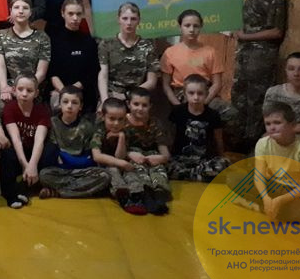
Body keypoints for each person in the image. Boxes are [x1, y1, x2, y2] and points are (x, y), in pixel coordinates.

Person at [231, 0, 289, 151]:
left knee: (256, 98)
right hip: (244, 52)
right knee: (239, 94)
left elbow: (276, 31)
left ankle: (253, 141)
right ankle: (237, 137)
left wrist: (246, 36)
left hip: (261, 55)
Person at [247, 101, 300, 220]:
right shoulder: (262, 143)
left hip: (294, 191)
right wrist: (265, 198)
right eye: (268, 124)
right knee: (233, 179)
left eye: (277, 122)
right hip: (273, 185)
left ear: (292, 125)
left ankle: (265, 207)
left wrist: (280, 201)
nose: (272, 127)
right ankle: (270, 206)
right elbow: (259, 176)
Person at [38, 86, 110, 199]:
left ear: (80, 106)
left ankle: (58, 192)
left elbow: (88, 159)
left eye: (74, 102)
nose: (69, 106)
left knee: (104, 176)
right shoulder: (53, 123)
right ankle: (79, 190)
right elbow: (53, 152)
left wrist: (66, 158)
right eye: (65, 102)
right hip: (60, 171)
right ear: (60, 104)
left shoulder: (87, 126)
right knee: (43, 174)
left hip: (81, 171)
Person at [0, 73, 58, 209]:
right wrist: (25, 165)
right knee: (6, 153)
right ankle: (10, 192)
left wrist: (32, 165)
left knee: (51, 149)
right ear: (14, 90)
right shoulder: (9, 108)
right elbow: (16, 139)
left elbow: (39, 140)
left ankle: (26, 186)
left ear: (36, 93)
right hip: (18, 151)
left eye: (29, 90)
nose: (24, 94)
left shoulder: (42, 110)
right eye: (20, 89)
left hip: (34, 151)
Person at [0, 0, 51, 116]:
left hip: (32, 86)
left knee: (32, 109)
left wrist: (23, 89)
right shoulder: (1, 35)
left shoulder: (42, 37)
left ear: (30, 12)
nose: (20, 11)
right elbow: (0, 66)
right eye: (16, 7)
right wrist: (4, 88)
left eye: (25, 8)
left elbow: (41, 72)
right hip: (8, 84)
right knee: (0, 106)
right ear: (11, 11)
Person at [167, 75, 229, 182]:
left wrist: (221, 156)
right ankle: (198, 175)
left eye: (200, 93)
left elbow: (218, 139)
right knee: (166, 166)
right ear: (185, 94)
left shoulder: (213, 115)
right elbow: (170, 136)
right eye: (191, 93)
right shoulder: (177, 112)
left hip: (203, 160)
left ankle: (188, 175)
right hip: (181, 159)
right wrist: (168, 156)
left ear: (206, 94)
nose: (196, 97)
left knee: (223, 164)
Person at [47, 0, 100, 115]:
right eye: (70, 14)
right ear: (63, 13)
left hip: (84, 95)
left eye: (78, 14)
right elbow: (52, 72)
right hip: (59, 93)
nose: (75, 18)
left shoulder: (89, 42)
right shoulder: (53, 41)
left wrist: (73, 91)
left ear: (83, 15)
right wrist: (65, 93)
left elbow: (93, 71)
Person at [123, 87, 171, 215]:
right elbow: (118, 151)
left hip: (151, 156)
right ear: (128, 104)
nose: (140, 108)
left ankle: (160, 195)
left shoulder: (155, 123)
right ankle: (146, 195)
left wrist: (161, 158)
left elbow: (165, 153)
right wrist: (129, 154)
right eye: (136, 104)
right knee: (138, 169)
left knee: (159, 169)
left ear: (150, 106)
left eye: (144, 105)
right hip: (132, 156)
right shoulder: (123, 122)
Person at [98, 2, 158, 103]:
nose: (129, 23)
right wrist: (105, 100)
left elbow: (151, 82)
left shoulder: (148, 45)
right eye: (125, 18)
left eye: (133, 19)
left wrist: (126, 95)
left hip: (137, 97)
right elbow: (103, 74)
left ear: (139, 21)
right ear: (118, 19)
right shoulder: (107, 44)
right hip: (112, 95)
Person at [160, 9, 224, 106]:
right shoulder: (170, 53)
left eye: (196, 26)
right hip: (181, 95)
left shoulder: (211, 52)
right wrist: (178, 106)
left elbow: (217, 84)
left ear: (201, 27)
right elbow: (166, 85)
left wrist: (204, 104)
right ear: (180, 27)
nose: (191, 30)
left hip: (205, 93)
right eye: (187, 25)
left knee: (229, 112)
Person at [90, 98, 138, 214]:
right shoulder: (99, 131)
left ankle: (137, 195)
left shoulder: (125, 131)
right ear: (103, 116)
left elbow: (120, 156)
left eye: (120, 119)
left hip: (119, 162)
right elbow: (97, 156)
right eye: (112, 119)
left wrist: (121, 137)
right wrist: (122, 163)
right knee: (113, 170)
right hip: (103, 166)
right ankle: (123, 197)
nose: (116, 123)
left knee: (131, 172)